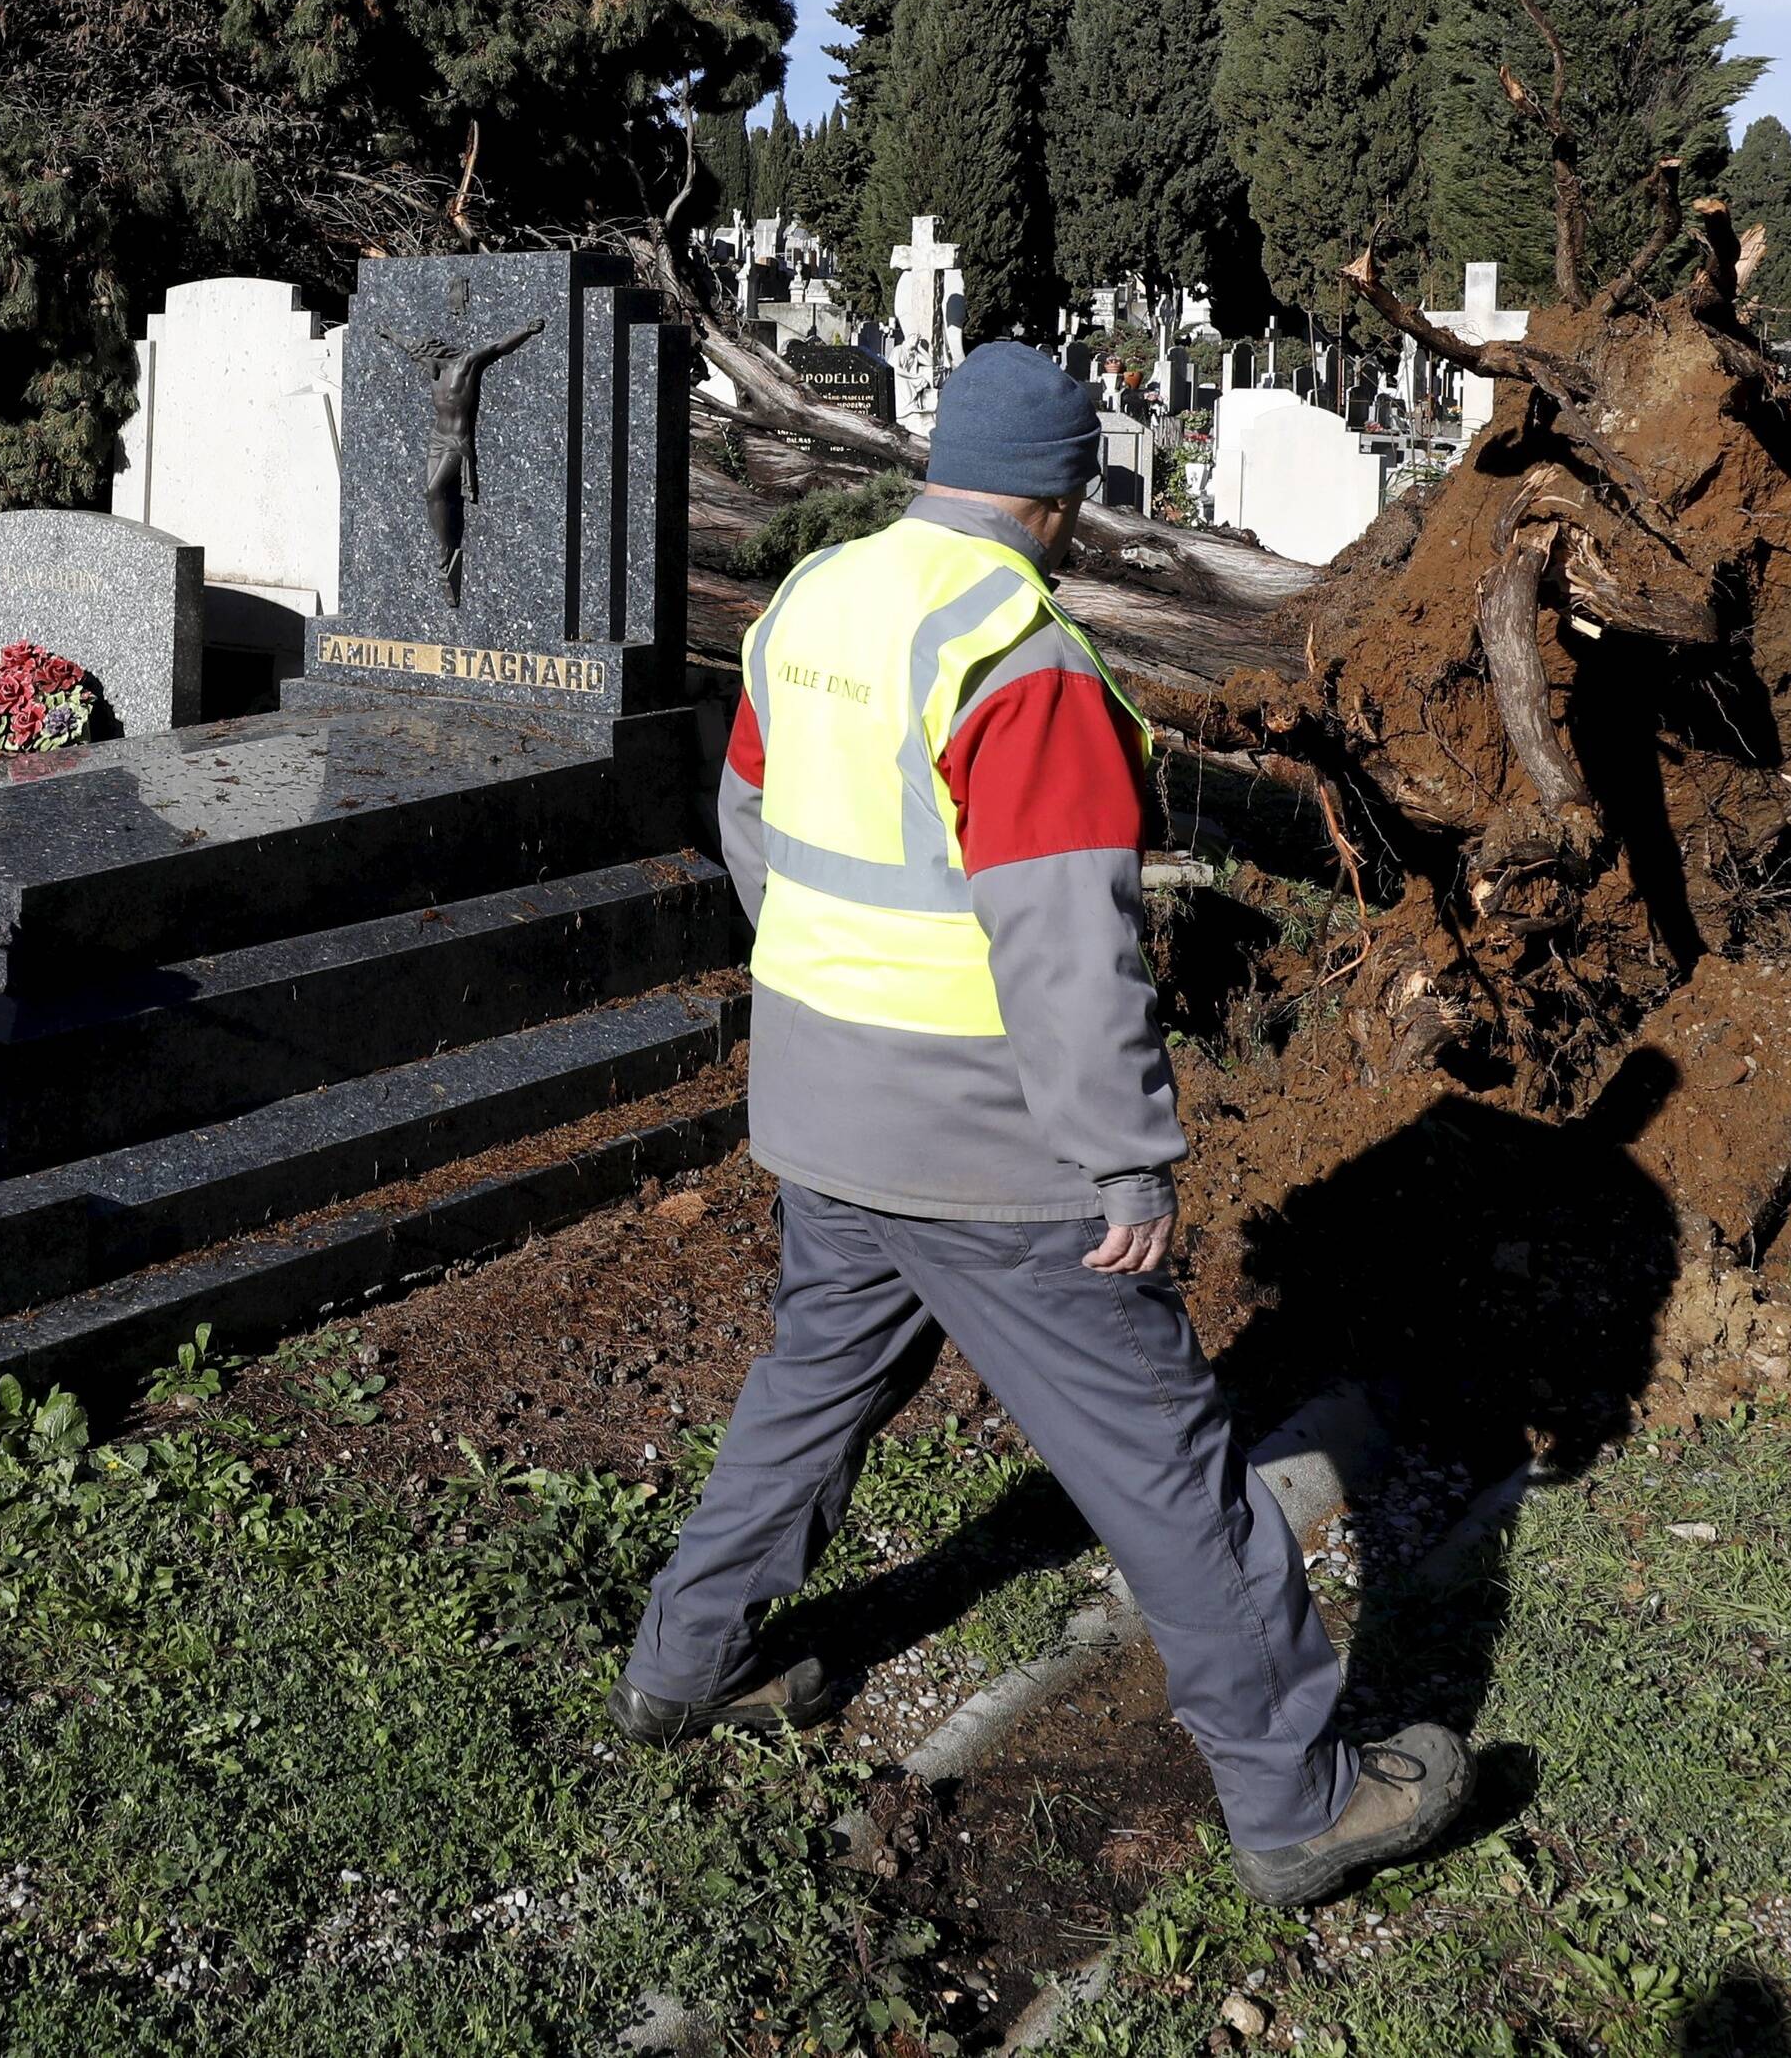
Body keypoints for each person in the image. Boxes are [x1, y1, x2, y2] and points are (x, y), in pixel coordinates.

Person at [615, 338, 1468, 1910]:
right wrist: (1122, 1155)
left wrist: (835, 993)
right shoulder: (1022, 655)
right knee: (1164, 1474)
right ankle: (1299, 1799)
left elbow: (748, 814)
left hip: (819, 1106)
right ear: (1063, 496)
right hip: (995, 1153)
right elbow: (1069, 942)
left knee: (812, 1388)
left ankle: (687, 1660)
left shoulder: (816, 601)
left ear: (943, 463)